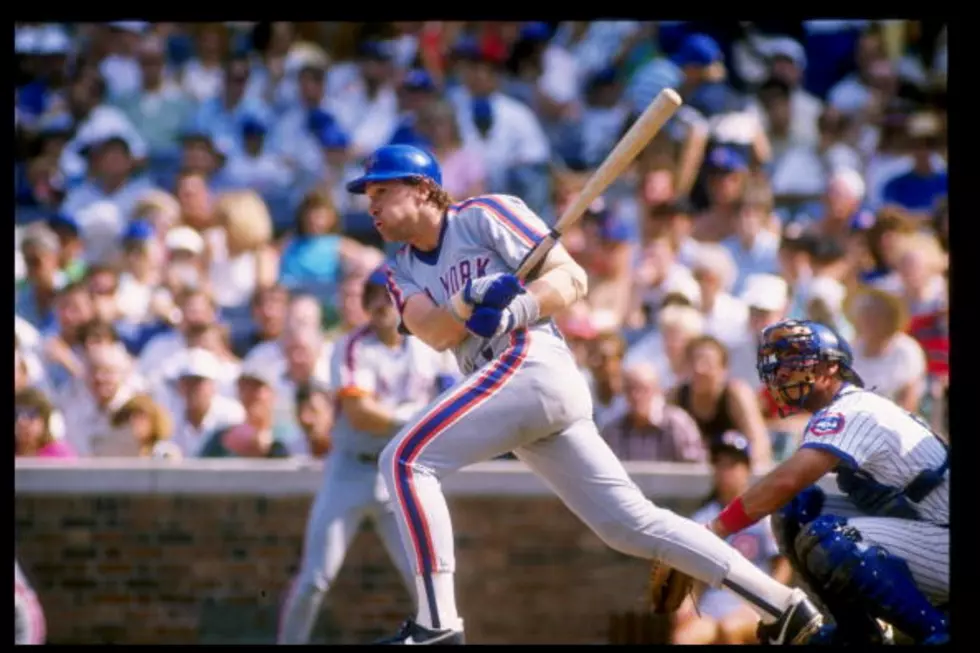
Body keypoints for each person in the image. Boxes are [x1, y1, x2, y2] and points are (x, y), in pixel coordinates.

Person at [347, 144, 822, 645]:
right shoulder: (399, 269)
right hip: (506, 392)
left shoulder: (484, 214)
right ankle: (783, 604)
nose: (371, 205)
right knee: (628, 525)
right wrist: (468, 299)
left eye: (382, 191)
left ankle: (437, 624)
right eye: (368, 195)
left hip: (531, 364)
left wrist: (515, 310)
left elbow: (571, 278)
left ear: (424, 189)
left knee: (403, 460)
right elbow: (437, 333)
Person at [704, 319, 948, 644]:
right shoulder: (842, 409)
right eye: (777, 363)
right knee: (798, 509)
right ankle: (858, 633)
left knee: (829, 538)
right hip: (926, 527)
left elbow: (786, 480)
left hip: (944, 536)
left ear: (831, 366)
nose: (781, 372)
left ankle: (937, 633)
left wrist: (712, 531)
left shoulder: (852, 409)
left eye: (794, 360)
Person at [277, 270, 457, 644]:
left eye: (388, 294)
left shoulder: (429, 347)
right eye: (372, 295)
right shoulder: (350, 346)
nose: (380, 303)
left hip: (400, 473)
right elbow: (360, 413)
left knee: (423, 578)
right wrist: (414, 416)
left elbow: (450, 402)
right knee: (315, 578)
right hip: (351, 469)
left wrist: (418, 416)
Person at [673, 431, 792, 644]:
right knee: (684, 638)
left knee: (731, 630)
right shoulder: (704, 517)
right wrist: (686, 604)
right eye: (720, 464)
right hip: (711, 609)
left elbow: (783, 564)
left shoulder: (763, 514)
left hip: (755, 606)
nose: (726, 472)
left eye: (733, 464)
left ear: (746, 469)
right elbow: (692, 573)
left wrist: (769, 603)